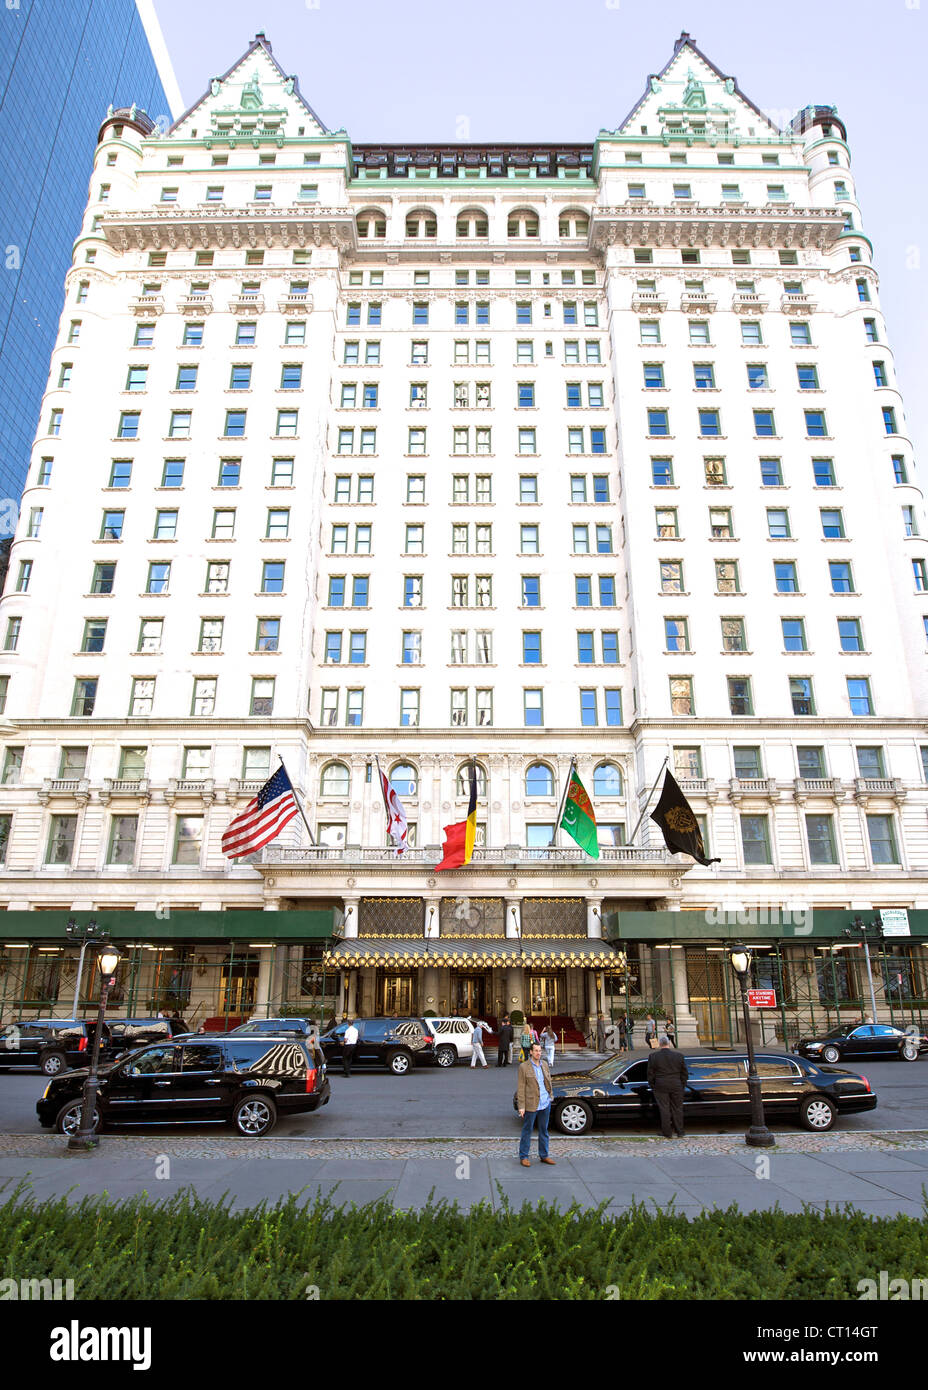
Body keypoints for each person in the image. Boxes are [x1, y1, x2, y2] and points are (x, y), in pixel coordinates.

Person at [516, 1040, 556, 1167]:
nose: (539, 1053)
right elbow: (521, 1088)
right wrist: (521, 1106)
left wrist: (550, 1096)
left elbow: (548, 1080)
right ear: (531, 1052)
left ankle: (544, 1155)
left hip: (545, 1102)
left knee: (544, 1130)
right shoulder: (524, 1067)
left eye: (540, 1051)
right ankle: (524, 1156)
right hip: (531, 1103)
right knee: (527, 1130)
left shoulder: (544, 1064)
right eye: (536, 1051)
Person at [646, 1034, 688, 1139]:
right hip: (676, 1084)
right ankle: (680, 1131)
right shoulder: (679, 1056)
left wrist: (653, 1085)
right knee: (677, 1108)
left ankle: (667, 1132)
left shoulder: (653, 1056)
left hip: (661, 1084)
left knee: (664, 1109)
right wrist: (682, 1084)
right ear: (669, 1043)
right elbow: (684, 1073)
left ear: (660, 1044)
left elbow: (650, 1074)